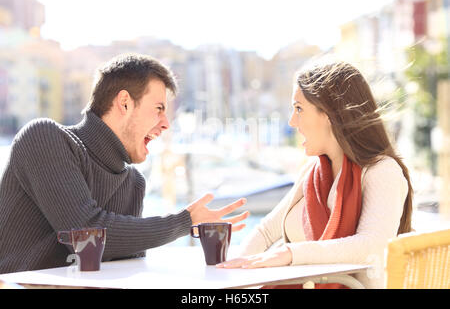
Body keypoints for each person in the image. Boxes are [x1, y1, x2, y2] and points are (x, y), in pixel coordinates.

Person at [0, 53, 249, 274]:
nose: (166, 123)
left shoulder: (133, 182)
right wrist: (184, 221)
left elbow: (125, 270)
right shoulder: (45, 137)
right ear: (125, 102)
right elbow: (84, 231)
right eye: (159, 109)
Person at [217, 61, 413, 289]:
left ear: (329, 113)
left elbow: (371, 245)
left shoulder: (382, 171)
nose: (292, 121)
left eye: (299, 108)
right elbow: (266, 230)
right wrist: (232, 274)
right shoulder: (311, 173)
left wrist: (291, 254)